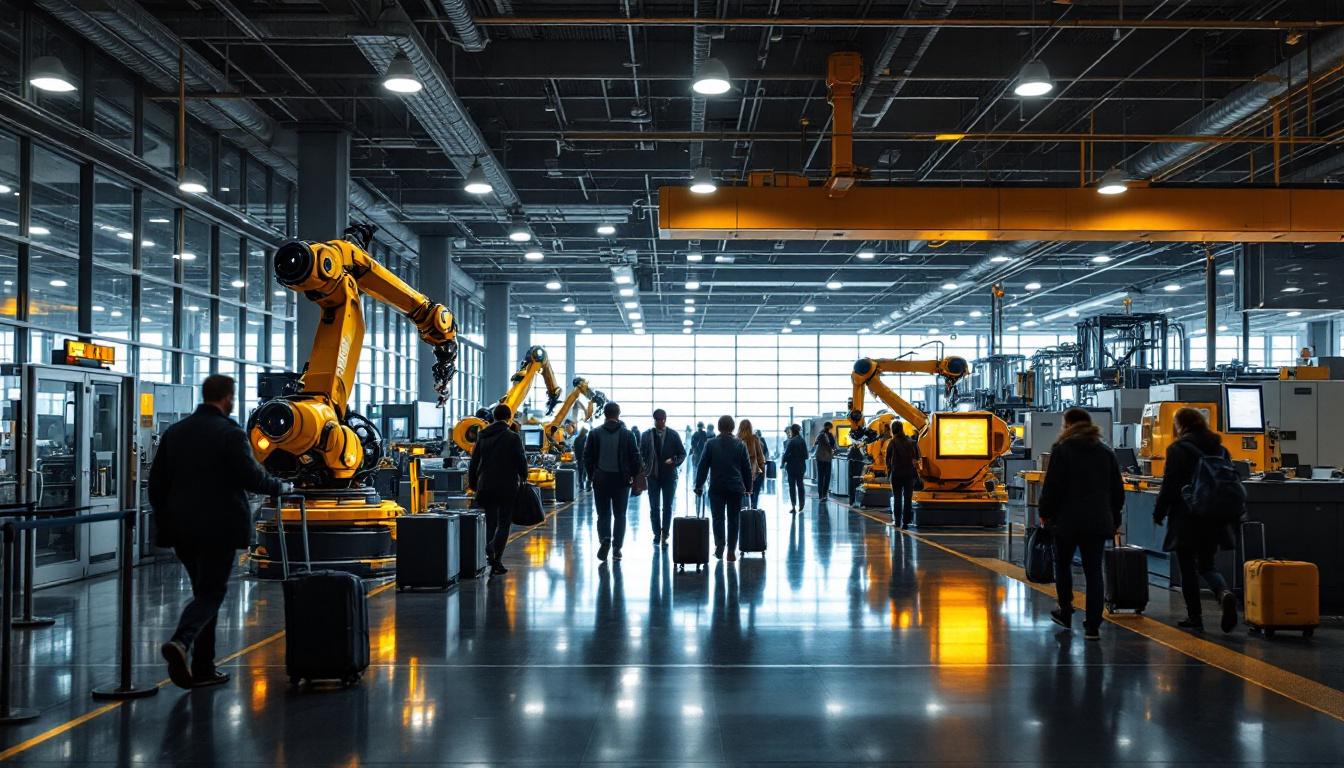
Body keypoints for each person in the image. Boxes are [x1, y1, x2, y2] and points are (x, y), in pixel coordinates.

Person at [151, 374, 290, 690]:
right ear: (228, 398)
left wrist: (167, 518)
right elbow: (251, 477)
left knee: (205, 593)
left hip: (182, 530)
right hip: (219, 528)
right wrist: (282, 486)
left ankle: (203, 667)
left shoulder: (175, 433)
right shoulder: (229, 434)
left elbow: (157, 485)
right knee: (212, 593)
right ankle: (182, 641)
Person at [1038, 408, 1124, 641]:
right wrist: (1114, 518)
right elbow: (1118, 491)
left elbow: (1052, 487)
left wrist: (1045, 513)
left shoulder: (1062, 450)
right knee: (1094, 571)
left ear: (1067, 425)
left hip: (1067, 521)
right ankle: (1093, 625)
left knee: (1063, 564)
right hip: (1098, 521)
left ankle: (1065, 610)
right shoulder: (1106, 453)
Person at [1154, 407, 1239, 633]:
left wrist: (1159, 512)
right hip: (1213, 516)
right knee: (1207, 565)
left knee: (1187, 568)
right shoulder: (1220, 449)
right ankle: (1223, 592)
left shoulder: (1177, 449)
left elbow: (1170, 485)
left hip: (1186, 516)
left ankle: (1195, 616)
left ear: (1180, 426)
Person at [468, 403, 528, 576]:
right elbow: (520, 461)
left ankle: (492, 559)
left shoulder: (482, 435)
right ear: (509, 418)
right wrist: (524, 477)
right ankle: (496, 554)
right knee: (504, 523)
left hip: (486, 485)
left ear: (493, 417)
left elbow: (474, 462)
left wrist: (473, 483)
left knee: (490, 522)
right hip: (506, 486)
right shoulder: (513, 437)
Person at [584, 401, 641, 562]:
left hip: (601, 479)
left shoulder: (594, 433)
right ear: (618, 414)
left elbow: (587, 457)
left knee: (603, 514)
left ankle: (605, 539)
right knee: (620, 515)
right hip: (622, 481)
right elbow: (635, 458)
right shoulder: (628, 434)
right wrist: (634, 475)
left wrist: (592, 475)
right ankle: (617, 549)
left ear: (604, 414)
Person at [694, 415, 753, 561]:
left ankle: (720, 546)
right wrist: (748, 488)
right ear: (733, 427)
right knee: (733, 519)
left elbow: (703, 466)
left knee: (718, 518)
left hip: (717, 487)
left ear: (719, 427)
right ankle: (731, 551)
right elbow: (746, 468)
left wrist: (699, 485)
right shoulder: (740, 444)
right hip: (735, 488)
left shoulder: (711, 444)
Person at [641, 408, 687, 547]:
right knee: (654, 507)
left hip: (669, 476)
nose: (659, 422)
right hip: (653, 476)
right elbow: (641, 453)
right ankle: (656, 533)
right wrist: (644, 466)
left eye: (661, 420)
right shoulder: (647, 435)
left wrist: (674, 461)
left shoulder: (673, 435)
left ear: (665, 420)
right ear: (654, 420)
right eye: (657, 420)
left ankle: (665, 533)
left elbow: (682, 453)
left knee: (667, 506)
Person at [885, 418, 920, 529]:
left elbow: (887, 458)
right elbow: (917, 457)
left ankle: (897, 522)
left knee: (897, 498)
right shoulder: (911, 442)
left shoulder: (892, 442)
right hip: (909, 474)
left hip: (896, 474)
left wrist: (889, 471)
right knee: (908, 498)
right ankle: (906, 523)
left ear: (892, 430)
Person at [738, 419, 766, 509]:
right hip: (755, 474)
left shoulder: (736, 440)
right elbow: (760, 457)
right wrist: (763, 472)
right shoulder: (754, 439)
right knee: (754, 500)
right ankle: (752, 519)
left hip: (740, 475)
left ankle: (741, 519)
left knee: (740, 500)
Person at [781, 424, 808, 514]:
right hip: (801, 467)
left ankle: (793, 506)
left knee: (792, 486)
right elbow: (806, 456)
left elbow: (786, 454)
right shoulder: (802, 441)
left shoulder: (791, 441)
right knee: (800, 485)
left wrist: (783, 463)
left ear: (792, 431)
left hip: (791, 467)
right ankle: (801, 504)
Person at [813, 422, 837, 500]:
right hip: (824, 459)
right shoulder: (822, 435)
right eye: (829, 427)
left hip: (822, 458)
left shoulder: (823, 435)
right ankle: (822, 495)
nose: (829, 429)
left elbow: (815, 444)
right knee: (825, 477)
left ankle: (823, 495)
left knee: (823, 477)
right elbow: (832, 445)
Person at [846, 441, 865, 505]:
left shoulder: (851, 457)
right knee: (858, 489)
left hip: (852, 476)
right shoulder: (860, 456)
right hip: (858, 476)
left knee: (852, 489)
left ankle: (852, 502)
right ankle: (857, 502)